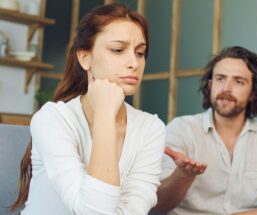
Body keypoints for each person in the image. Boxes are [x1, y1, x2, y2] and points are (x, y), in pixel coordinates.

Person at [9, 3, 165, 215]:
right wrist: (105, 115)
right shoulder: (52, 119)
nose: (134, 63)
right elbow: (95, 211)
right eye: (118, 50)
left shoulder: (151, 128)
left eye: (140, 53)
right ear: (85, 58)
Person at [155, 46, 257, 215]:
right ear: (210, 85)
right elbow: (156, 206)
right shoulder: (181, 129)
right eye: (220, 79)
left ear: (253, 92)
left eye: (238, 81)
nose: (226, 88)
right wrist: (182, 175)